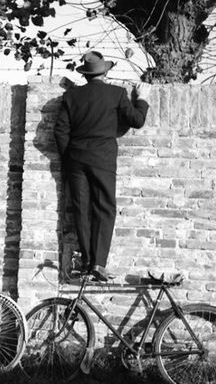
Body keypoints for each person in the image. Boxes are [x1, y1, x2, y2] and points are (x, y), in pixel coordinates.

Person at [54, 51, 149, 282]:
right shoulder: (116, 94)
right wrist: (142, 98)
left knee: (81, 209)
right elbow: (137, 121)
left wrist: (69, 157)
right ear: (105, 72)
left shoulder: (71, 97)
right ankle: (98, 263)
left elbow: (60, 132)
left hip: (76, 159)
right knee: (104, 208)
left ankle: (86, 262)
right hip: (103, 159)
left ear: (85, 75)